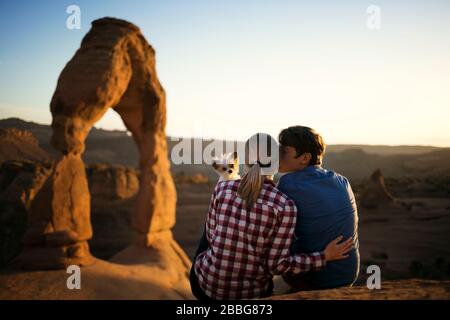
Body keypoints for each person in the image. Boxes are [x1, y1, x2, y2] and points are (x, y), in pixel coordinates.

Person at [190, 133, 353, 300]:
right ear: (277, 163)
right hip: (252, 295)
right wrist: (324, 256)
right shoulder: (285, 205)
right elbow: (277, 266)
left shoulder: (223, 188)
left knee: (214, 229)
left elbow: (210, 237)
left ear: (246, 159)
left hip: (205, 287)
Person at [277, 126, 360, 290]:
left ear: (305, 158)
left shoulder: (289, 183)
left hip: (316, 279)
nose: (277, 154)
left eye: (283, 151)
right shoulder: (342, 181)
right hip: (348, 273)